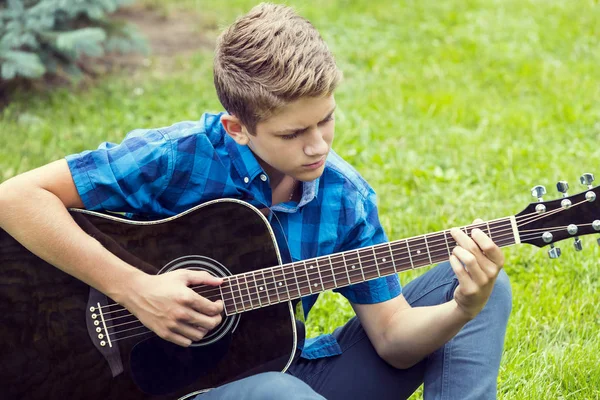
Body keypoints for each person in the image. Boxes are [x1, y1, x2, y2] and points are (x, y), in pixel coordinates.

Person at [0, 3, 511, 399]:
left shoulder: (341, 197)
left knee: (475, 284)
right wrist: (136, 289)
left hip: (275, 370)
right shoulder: (177, 157)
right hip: (158, 386)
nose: (319, 146)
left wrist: (463, 308)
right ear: (237, 128)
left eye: (326, 120)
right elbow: (16, 198)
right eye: (294, 133)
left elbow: (394, 341)